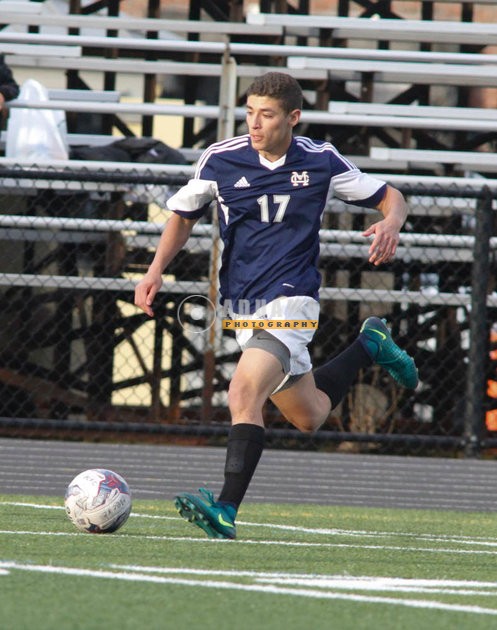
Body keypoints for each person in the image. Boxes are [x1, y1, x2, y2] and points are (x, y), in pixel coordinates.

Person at [134, 71, 418, 540]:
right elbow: (182, 216)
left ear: (293, 117)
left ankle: (225, 509)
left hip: (292, 300)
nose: (254, 123)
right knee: (310, 415)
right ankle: (370, 345)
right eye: (250, 113)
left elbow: (393, 197)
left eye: (266, 115)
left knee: (243, 393)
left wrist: (391, 223)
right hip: (243, 304)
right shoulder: (220, 159)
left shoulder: (320, 160)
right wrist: (154, 270)